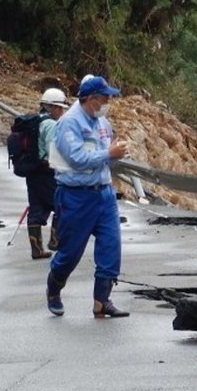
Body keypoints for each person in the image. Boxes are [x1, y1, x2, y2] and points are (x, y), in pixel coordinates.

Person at [45, 75, 130, 318]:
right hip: (75, 197)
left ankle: (101, 301)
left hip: (104, 194)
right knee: (70, 253)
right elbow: (77, 159)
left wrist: (116, 153)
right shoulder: (68, 123)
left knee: (111, 247)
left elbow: (104, 153)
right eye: (105, 97)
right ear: (91, 99)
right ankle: (54, 286)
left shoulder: (102, 122)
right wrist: (108, 153)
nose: (108, 102)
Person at [25, 88, 69, 259]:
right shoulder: (51, 124)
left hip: (32, 171)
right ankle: (55, 241)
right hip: (46, 171)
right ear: (53, 107)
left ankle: (36, 249)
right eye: (60, 108)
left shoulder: (35, 121)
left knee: (36, 208)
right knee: (61, 204)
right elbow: (53, 150)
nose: (62, 111)